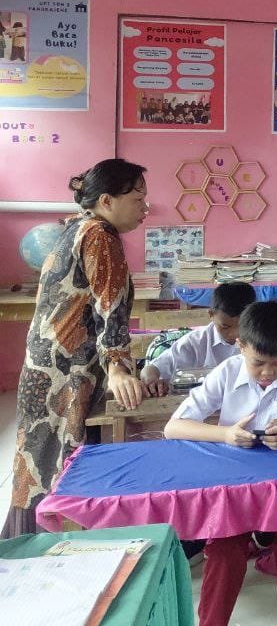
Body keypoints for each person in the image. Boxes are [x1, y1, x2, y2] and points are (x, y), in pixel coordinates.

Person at [166, 299, 277, 626]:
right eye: (258, 363)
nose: (267, 373)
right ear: (241, 346)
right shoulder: (227, 372)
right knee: (224, 551)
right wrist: (225, 434)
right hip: (236, 484)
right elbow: (174, 427)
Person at [4, 160, 151, 537]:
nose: (145, 208)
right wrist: (117, 367)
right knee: (61, 461)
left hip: (46, 365)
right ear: (107, 200)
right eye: (138, 199)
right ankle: (51, 546)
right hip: (65, 371)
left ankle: (28, 541)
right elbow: (109, 305)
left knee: (38, 457)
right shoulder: (100, 235)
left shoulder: (75, 227)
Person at [141, 281, 256, 389]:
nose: (234, 334)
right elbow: (150, 369)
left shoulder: (259, 338)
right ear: (211, 314)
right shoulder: (195, 342)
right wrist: (152, 382)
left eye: (242, 325)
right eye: (225, 327)